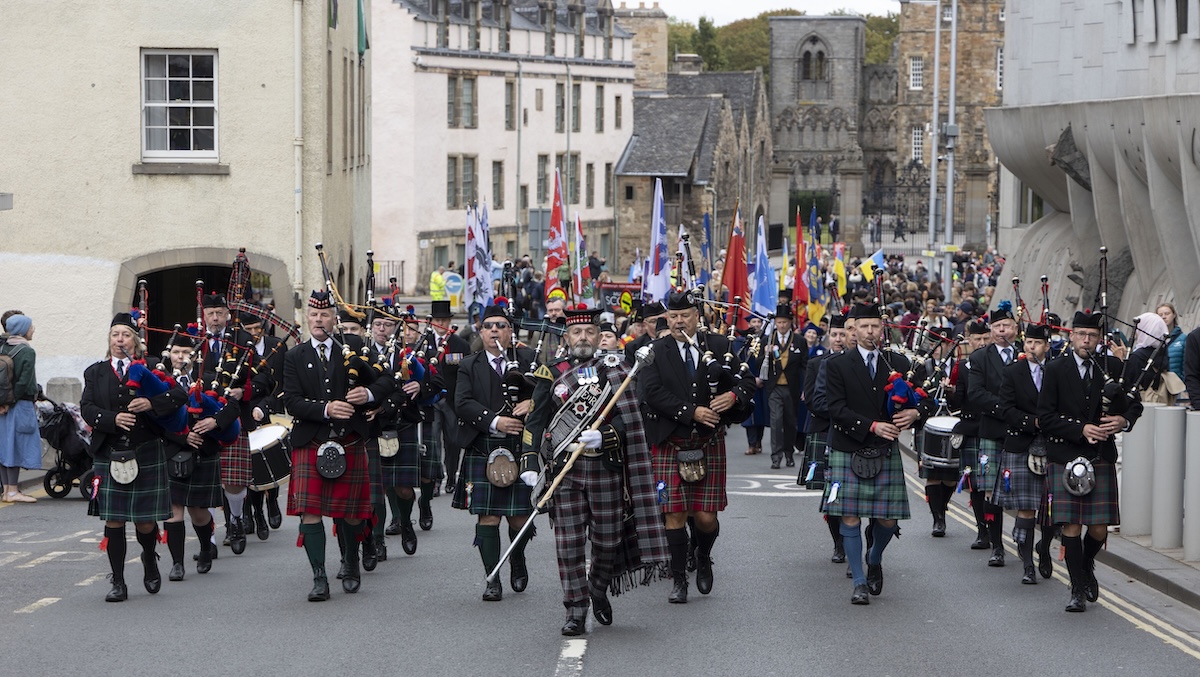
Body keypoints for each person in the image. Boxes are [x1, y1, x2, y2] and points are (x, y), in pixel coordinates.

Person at [519, 306, 669, 635]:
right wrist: (530, 460)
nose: (584, 338)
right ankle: (575, 607)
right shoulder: (552, 371)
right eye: (577, 333)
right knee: (569, 542)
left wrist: (607, 435)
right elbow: (536, 419)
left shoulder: (617, 371)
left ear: (598, 336)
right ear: (567, 337)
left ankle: (597, 587)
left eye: (589, 332)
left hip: (605, 466)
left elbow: (633, 421)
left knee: (608, 539)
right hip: (566, 470)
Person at [638, 291, 754, 603]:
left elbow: (747, 382)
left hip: (708, 442)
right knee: (673, 514)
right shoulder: (654, 351)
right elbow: (650, 391)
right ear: (667, 319)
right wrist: (689, 412)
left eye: (685, 315)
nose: (678, 321)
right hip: (670, 442)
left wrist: (732, 397)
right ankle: (679, 580)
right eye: (673, 316)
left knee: (705, 518)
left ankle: (703, 555)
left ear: (696, 316)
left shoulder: (718, 347)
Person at [282, 291, 395, 601]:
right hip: (312, 439)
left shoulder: (355, 347)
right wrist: (326, 408)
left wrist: (369, 395)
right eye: (314, 315)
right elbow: (291, 402)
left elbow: (388, 380)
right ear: (308, 317)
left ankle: (350, 560)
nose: (319, 320)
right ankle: (319, 576)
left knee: (352, 514)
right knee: (310, 512)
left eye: (325, 315)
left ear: (335, 318)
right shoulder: (295, 356)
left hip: (349, 439)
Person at [1038, 311, 1142, 612]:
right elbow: (1045, 417)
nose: (1087, 340)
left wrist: (1123, 419)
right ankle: (1076, 588)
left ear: (1099, 338)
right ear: (1071, 336)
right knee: (1070, 524)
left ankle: (1084, 566)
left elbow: (1135, 404)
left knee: (1098, 528)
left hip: (1100, 456)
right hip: (1066, 455)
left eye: (1092, 336)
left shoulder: (1112, 367)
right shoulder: (1056, 369)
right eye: (1082, 335)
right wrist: (1080, 428)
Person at [822, 302, 925, 605]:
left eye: (875, 327)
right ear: (853, 329)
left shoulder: (897, 363)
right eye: (864, 327)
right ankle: (859, 582)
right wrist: (872, 426)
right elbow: (835, 409)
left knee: (889, 521)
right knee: (850, 518)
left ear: (882, 328)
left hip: (884, 450)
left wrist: (915, 414)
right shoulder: (838, 365)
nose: (870, 332)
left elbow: (925, 397)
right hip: (849, 446)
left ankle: (874, 556)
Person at [82, 313, 188, 602]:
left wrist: (151, 402)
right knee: (114, 520)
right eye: (115, 334)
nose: (119, 340)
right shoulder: (95, 372)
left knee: (144, 522)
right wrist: (112, 419)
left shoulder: (153, 366)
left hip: (146, 449)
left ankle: (150, 559)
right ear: (109, 339)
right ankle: (118, 581)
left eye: (125, 335)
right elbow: (87, 408)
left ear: (136, 340)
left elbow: (180, 395)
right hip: (110, 451)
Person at [453, 302, 538, 601]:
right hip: (483, 446)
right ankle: (492, 577)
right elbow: (461, 403)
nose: (494, 331)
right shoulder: (469, 365)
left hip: (519, 448)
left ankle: (517, 557)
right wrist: (495, 420)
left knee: (520, 520)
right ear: (481, 331)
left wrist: (534, 401)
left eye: (501, 326)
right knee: (487, 517)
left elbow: (551, 391)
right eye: (489, 326)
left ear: (510, 331)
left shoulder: (528, 359)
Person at [160, 334, 225, 581]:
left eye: (186, 353)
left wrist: (214, 422)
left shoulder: (211, 380)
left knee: (198, 512)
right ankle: (177, 563)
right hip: (172, 450)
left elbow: (227, 410)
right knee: (174, 511)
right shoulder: (161, 380)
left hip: (203, 451)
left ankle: (206, 547)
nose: (180, 357)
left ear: (195, 356)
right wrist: (182, 438)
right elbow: (155, 418)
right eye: (176, 352)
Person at [197, 293, 258, 554]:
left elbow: (264, 378)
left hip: (234, 417)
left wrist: (244, 392)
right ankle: (208, 540)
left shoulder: (244, 341)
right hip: (200, 417)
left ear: (227, 314)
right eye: (210, 313)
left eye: (219, 312)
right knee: (206, 481)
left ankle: (234, 519)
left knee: (234, 481)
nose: (214, 317)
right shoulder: (194, 341)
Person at [995, 324, 1052, 585]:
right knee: (1027, 508)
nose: (1031, 347)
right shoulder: (1013, 373)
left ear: (1046, 346)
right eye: (1028, 342)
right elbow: (1006, 410)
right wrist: (1033, 423)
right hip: (1021, 443)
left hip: (1053, 445)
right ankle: (1028, 564)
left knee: (1052, 510)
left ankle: (1045, 548)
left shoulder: (1056, 372)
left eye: (1037, 343)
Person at [967, 305, 1020, 567]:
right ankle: (997, 546)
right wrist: (1006, 410)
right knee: (990, 491)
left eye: (1007, 326)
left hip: (1022, 432)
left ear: (1016, 329)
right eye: (998, 327)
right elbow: (975, 394)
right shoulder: (980, 358)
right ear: (991, 330)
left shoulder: (1025, 354)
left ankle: (1024, 540)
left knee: (1023, 491)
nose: (1002, 331)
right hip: (994, 429)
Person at [803, 314, 850, 566]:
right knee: (832, 493)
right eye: (835, 334)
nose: (839, 339)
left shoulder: (857, 363)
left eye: (843, 334)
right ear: (828, 336)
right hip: (825, 430)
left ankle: (851, 540)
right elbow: (811, 399)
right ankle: (838, 544)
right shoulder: (816, 363)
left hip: (853, 432)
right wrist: (842, 415)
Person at [242, 308, 288, 538]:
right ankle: (255, 512)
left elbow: (282, 383)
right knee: (251, 463)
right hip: (243, 409)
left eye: (256, 328)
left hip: (269, 408)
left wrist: (265, 407)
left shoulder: (277, 347)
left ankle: (272, 501)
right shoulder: (236, 346)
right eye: (248, 330)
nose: (253, 334)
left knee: (272, 456)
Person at [429, 300, 473, 494]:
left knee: (452, 441)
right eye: (438, 320)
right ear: (431, 322)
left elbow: (465, 375)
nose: (441, 324)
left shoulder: (460, 344)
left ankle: (451, 476)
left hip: (452, 401)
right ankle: (436, 477)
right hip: (430, 400)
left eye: (444, 320)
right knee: (433, 441)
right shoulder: (425, 343)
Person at [0, 313, 39, 503]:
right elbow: (23, 382)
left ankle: (6, 490)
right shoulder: (27, 351)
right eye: (30, 326)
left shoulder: (2, 346)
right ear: (22, 329)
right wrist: (10, 401)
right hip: (19, 404)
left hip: (2, 405)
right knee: (15, 446)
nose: (33, 329)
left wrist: (3, 402)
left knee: (3, 447)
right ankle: (14, 490)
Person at [762, 305, 807, 469]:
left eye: (784, 322)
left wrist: (805, 388)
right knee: (775, 421)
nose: (781, 325)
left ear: (790, 323)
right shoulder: (768, 339)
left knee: (790, 422)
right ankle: (776, 456)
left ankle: (789, 453)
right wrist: (765, 354)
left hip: (791, 387)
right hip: (774, 387)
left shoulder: (799, 341)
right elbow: (760, 364)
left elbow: (805, 366)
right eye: (779, 322)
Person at [735, 316, 767, 456]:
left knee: (761, 415)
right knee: (750, 415)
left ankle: (758, 442)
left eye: (759, 322)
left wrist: (762, 378)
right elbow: (740, 360)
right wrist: (751, 379)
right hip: (748, 381)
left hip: (763, 382)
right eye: (753, 322)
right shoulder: (744, 341)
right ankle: (751, 444)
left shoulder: (767, 340)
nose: (756, 324)